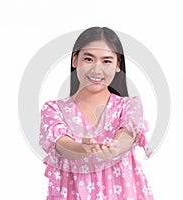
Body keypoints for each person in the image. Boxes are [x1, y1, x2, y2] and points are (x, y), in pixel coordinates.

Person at [39, 27, 154, 200]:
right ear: (75, 60)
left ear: (118, 66)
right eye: (88, 59)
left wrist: (114, 147)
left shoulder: (129, 106)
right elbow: (62, 144)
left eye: (106, 61)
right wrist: (83, 148)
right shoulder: (54, 110)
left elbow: (126, 136)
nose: (96, 69)